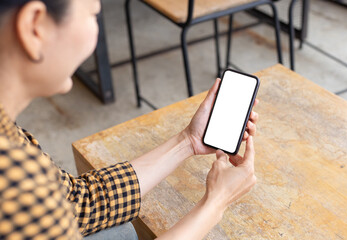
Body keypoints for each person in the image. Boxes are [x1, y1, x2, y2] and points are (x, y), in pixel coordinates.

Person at [0, 0, 259, 239]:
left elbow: (75, 203)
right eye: (93, 15)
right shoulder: (16, 176)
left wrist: (188, 141)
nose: (97, 31)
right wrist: (216, 203)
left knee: (121, 231)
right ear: (35, 26)